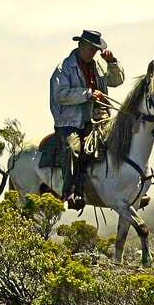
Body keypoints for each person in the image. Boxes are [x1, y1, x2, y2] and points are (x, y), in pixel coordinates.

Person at [49, 30, 125, 208]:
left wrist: (112, 62)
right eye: (90, 48)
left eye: (95, 49)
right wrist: (88, 94)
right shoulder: (64, 68)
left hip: (99, 117)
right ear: (80, 45)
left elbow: (117, 80)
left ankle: (127, 188)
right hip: (70, 121)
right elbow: (60, 95)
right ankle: (70, 192)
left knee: (121, 141)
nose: (93, 52)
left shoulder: (99, 64)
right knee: (73, 149)